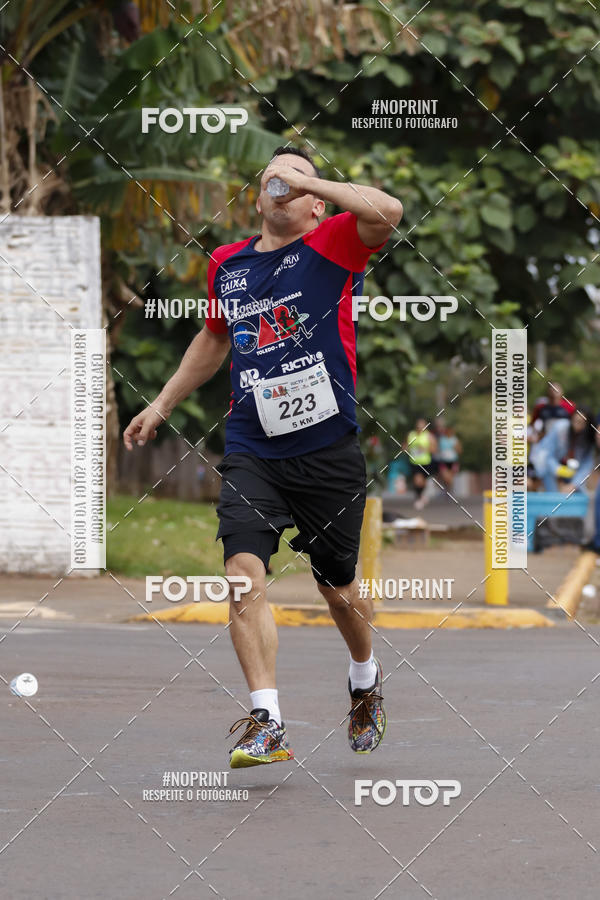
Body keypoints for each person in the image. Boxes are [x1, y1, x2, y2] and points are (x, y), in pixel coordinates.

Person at [124, 146, 403, 767]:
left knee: (339, 590)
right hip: (252, 445)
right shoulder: (228, 264)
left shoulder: (333, 245)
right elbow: (214, 337)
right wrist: (163, 403)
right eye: (272, 174)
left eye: (297, 179)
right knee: (242, 575)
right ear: (255, 197)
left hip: (328, 450)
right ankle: (267, 720)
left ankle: (364, 677)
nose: (280, 182)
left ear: (314, 204)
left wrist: (314, 182)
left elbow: (389, 209)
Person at [529, 406, 595, 493]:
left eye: (581, 422)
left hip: (574, 476)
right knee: (553, 495)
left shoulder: (588, 438)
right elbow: (545, 453)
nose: (576, 424)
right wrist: (558, 470)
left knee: (580, 494)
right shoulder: (560, 427)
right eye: (575, 420)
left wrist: (573, 485)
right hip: (550, 471)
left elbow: (586, 466)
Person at [404, 416, 437, 510]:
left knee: (422, 482)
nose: (420, 428)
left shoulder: (429, 436)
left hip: (425, 462)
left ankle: (421, 496)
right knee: (417, 481)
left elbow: (434, 449)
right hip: (414, 462)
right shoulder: (410, 434)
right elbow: (405, 446)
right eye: (418, 426)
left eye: (422, 426)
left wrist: (425, 449)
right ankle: (419, 498)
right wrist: (406, 448)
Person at [437, 424, 462, 493]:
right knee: (445, 477)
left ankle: (449, 490)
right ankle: (446, 489)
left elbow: (459, 451)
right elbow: (438, 449)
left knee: (450, 478)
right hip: (443, 461)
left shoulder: (455, 440)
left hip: (453, 461)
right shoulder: (442, 439)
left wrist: (456, 448)